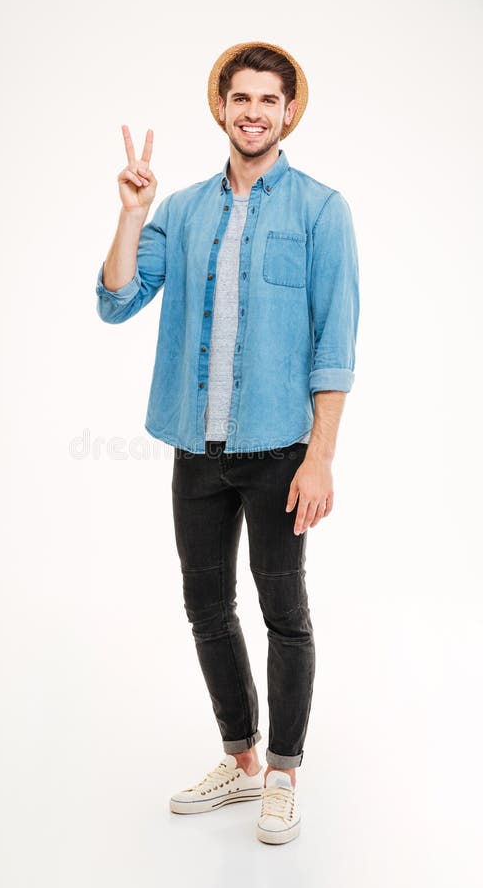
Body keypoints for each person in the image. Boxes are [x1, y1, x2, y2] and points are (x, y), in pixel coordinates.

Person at [95, 41, 360, 845]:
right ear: (222, 107)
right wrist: (131, 212)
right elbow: (114, 302)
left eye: (267, 101)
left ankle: (282, 770)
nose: (252, 112)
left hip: (281, 449)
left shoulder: (320, 208)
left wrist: (321, 455)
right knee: (206, 608)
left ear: (289, 111)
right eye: (239, 98)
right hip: (195, 449)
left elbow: (335, 342)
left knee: (285, 610)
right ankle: (240, 760)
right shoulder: (179, 208)